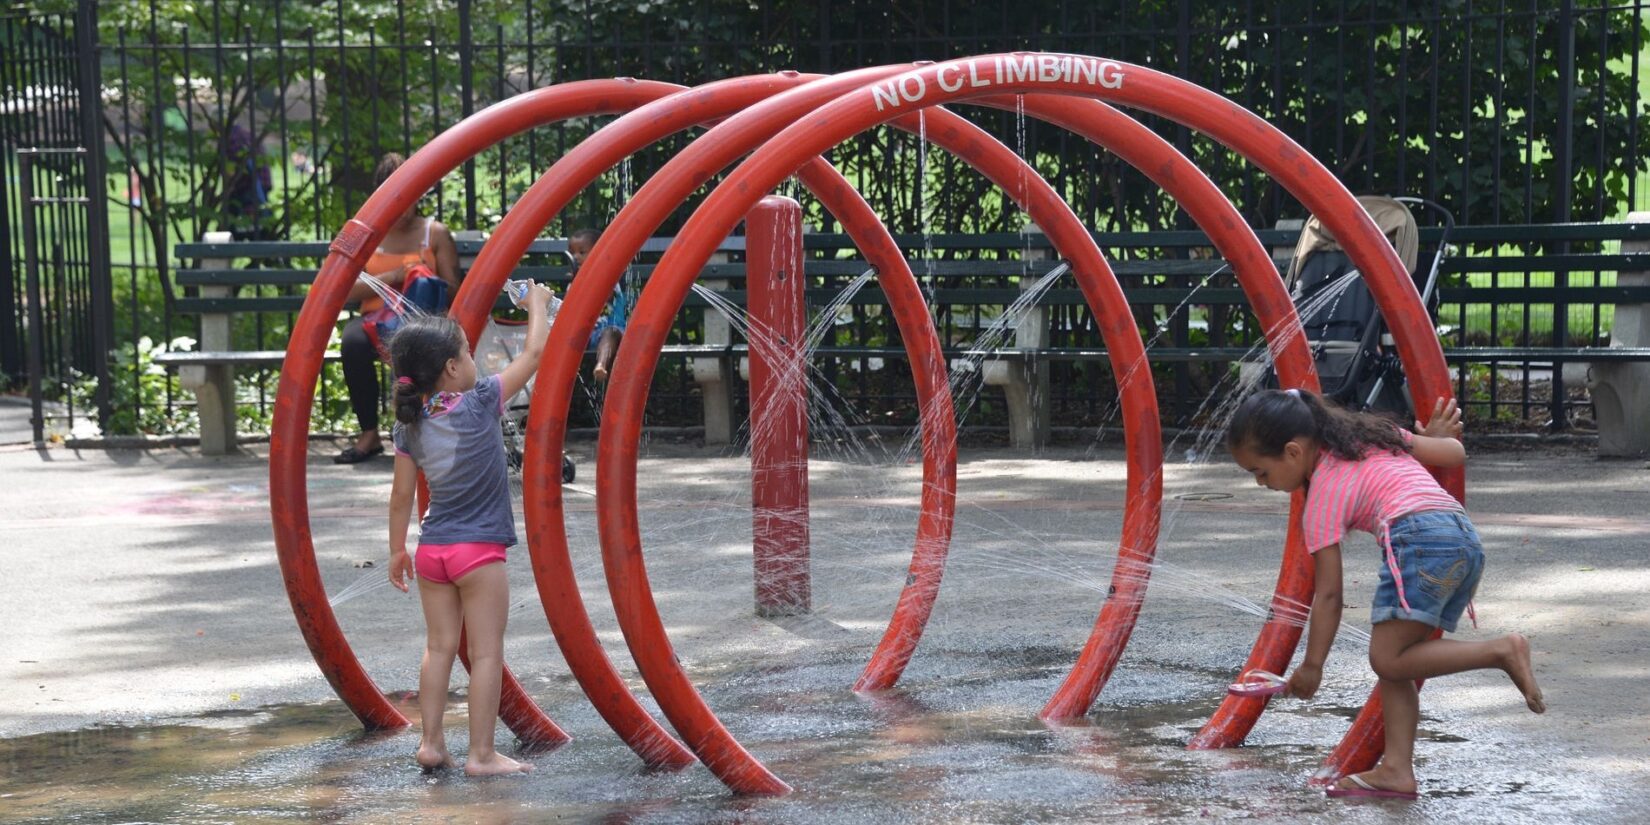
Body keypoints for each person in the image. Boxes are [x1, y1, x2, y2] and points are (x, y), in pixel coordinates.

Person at [1225, 388, 1544, 800]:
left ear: (1292, 452)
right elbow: (1454, 454)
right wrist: (1432, 436)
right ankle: (1397, 770)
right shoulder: (1374, 436)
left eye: (1260, 472)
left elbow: (1328, 596)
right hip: (1461, 537)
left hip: (1418, 541)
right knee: (1396, 665)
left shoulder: (1320, 495)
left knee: (1386, 658)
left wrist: (1313, 665)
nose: (1260, 483)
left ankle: (1500, 651)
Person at [384, 282, 553, 777]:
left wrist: (398, 551)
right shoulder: (481, 401)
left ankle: (432, 744)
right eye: (467, 351)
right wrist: (538, 306)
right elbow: (536, 351)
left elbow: (400, 498)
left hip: (433, 551)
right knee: (485, 656)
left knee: (438, 648)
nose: (475, 358)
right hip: (478, 553)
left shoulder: (408, 426)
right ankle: (481, 755)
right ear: (453, 369)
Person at [333, 153, 461, 464]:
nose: (403, 209)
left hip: (422, 320)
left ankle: (417, 433)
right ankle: (369, 433)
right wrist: (393, 276)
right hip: (374, 321)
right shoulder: (362, 233)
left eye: (409, 198)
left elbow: (455, 289)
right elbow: (342, 290)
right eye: (395, 198)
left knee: (413, 344)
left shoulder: (436, 232)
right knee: (352, 343)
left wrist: (423, 277)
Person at [570, 227, 626, 383]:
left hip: (611, 331)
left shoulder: (609, 278)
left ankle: (601, 365)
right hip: (585, 334)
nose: (575, 257)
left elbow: (603, 294)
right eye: (573, 252)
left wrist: (585, 278)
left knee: (610, 333)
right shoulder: (574, 284)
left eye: (582, 252)